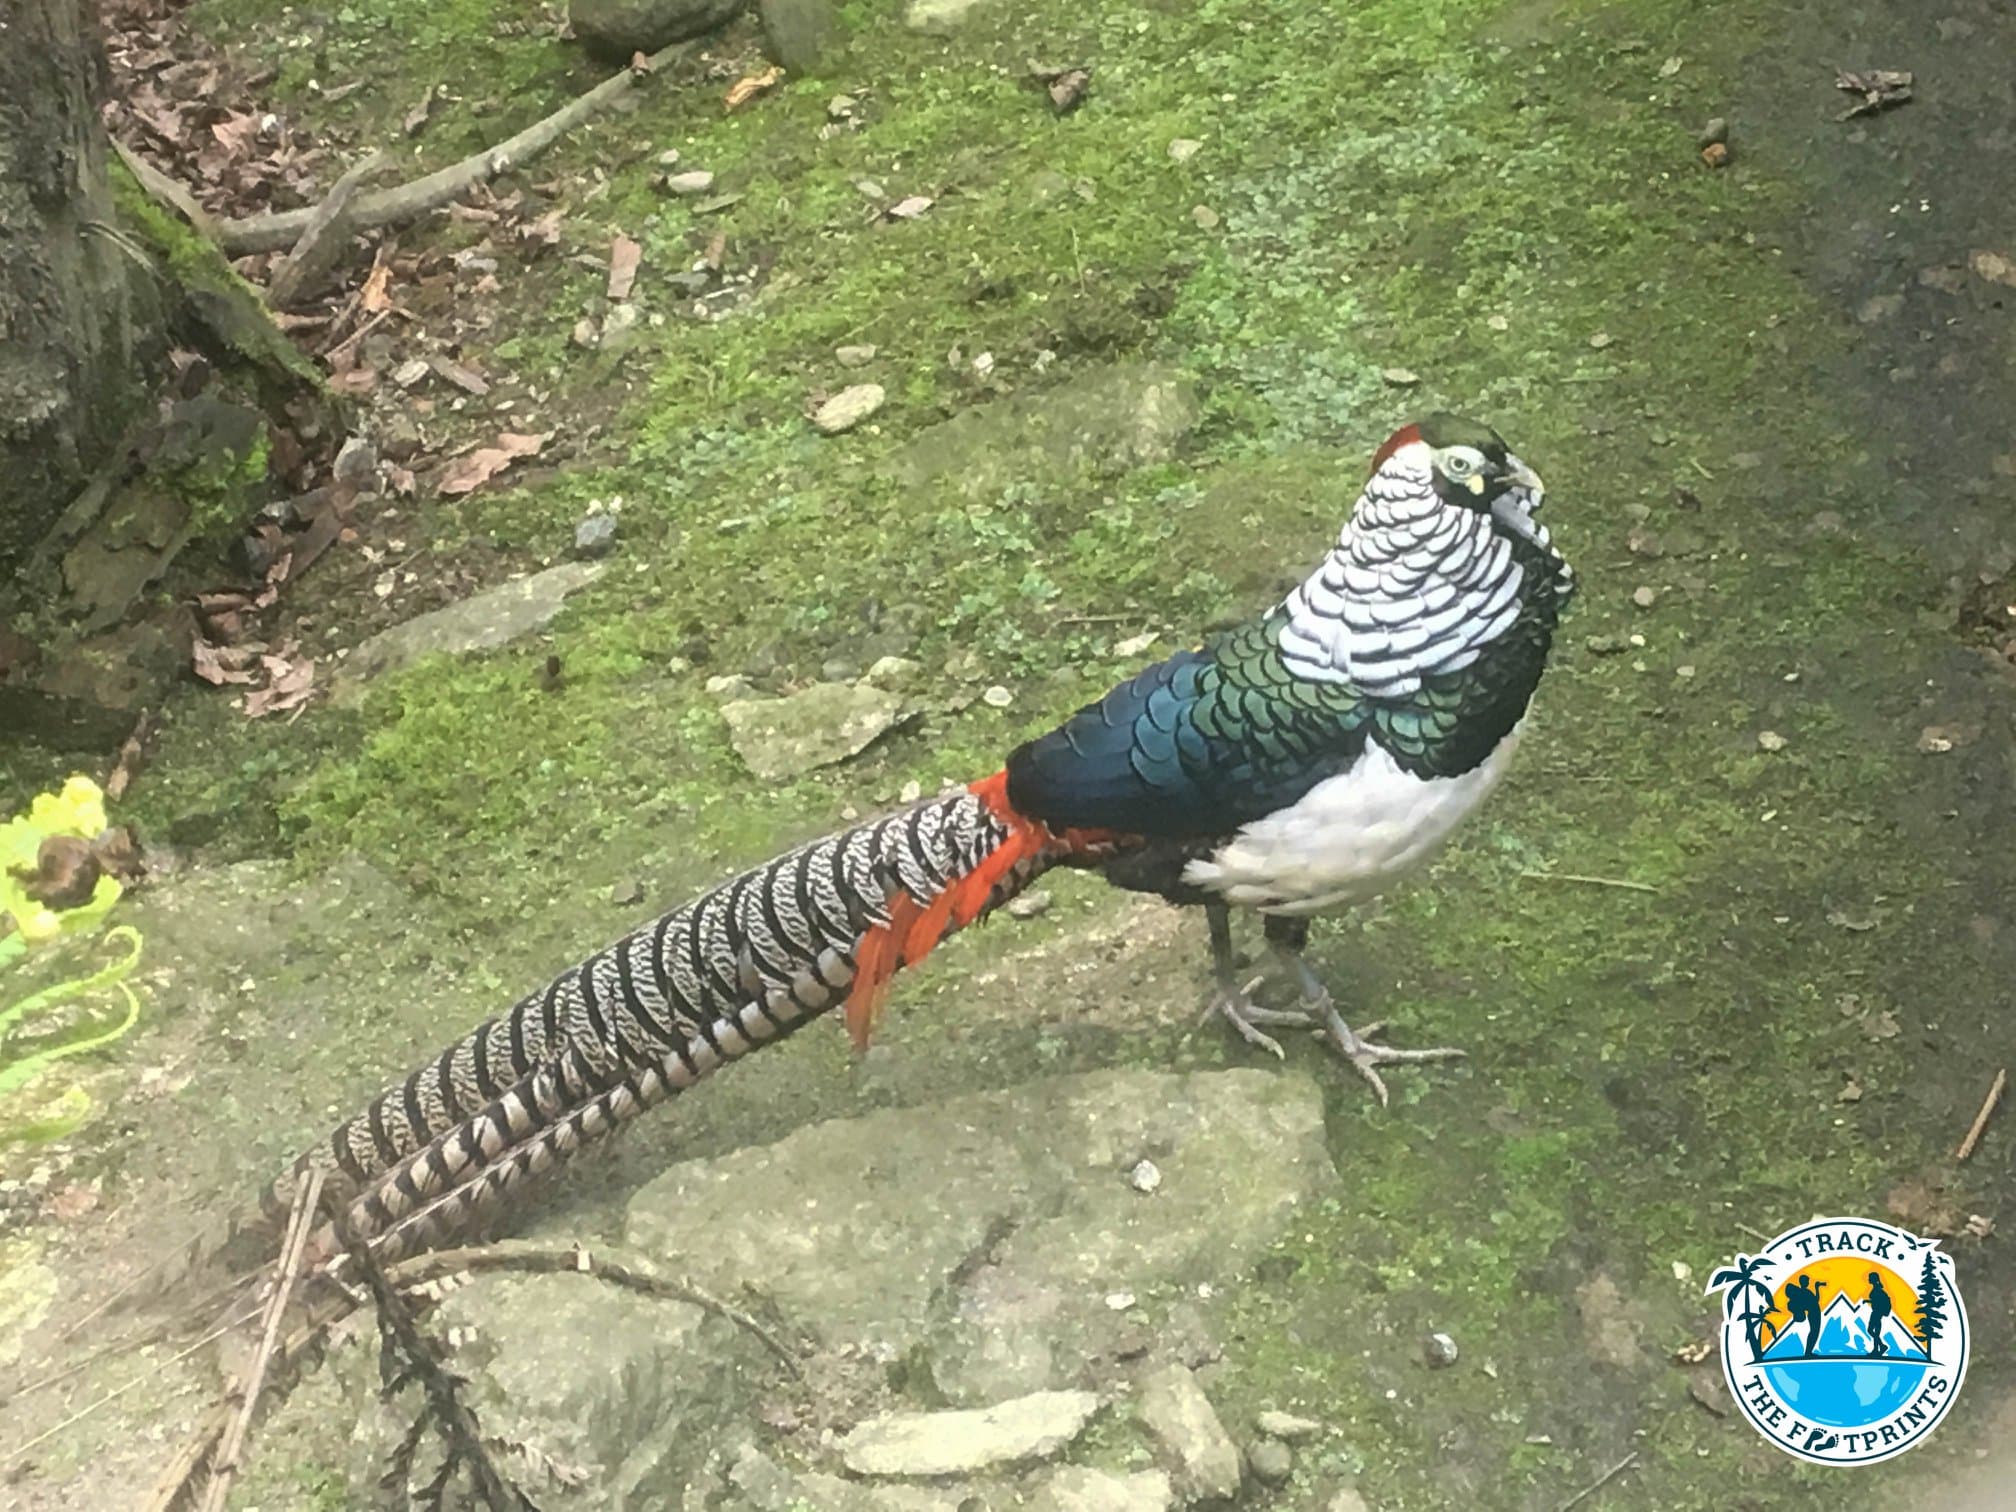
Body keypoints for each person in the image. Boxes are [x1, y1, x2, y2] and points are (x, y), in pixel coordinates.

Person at [1784, 1275, 1824, 1356]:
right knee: (1814, 1332)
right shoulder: (1804, 1292)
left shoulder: (1804, 1291)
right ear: (1803, 1282)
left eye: (1808, 1281)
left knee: (1814, 1332)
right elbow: (1815, 1300)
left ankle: (1808, 1352)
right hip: (1814, 1313)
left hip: (1814, 1312)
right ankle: (1808, 1352)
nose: (1808, 1283)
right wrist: (1816, 1288)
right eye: (1807, 1281)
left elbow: (1815, 1300)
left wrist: (1817, 1288)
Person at [1866, 1271, 1894, 1357]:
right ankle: (1878, 1348)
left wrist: (1871, 1301)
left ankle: (1880, 1347)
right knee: (1875, 1332)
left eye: (1870, 1278)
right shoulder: (1877, 1288)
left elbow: (1878, 1301)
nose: (1868, 1279)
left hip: (1876, 1313)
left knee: (1870, 1330)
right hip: (1877, 1313)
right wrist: (1868, 1301)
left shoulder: (1877, 1289)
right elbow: (1876, 1300)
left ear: (1873, 1279)